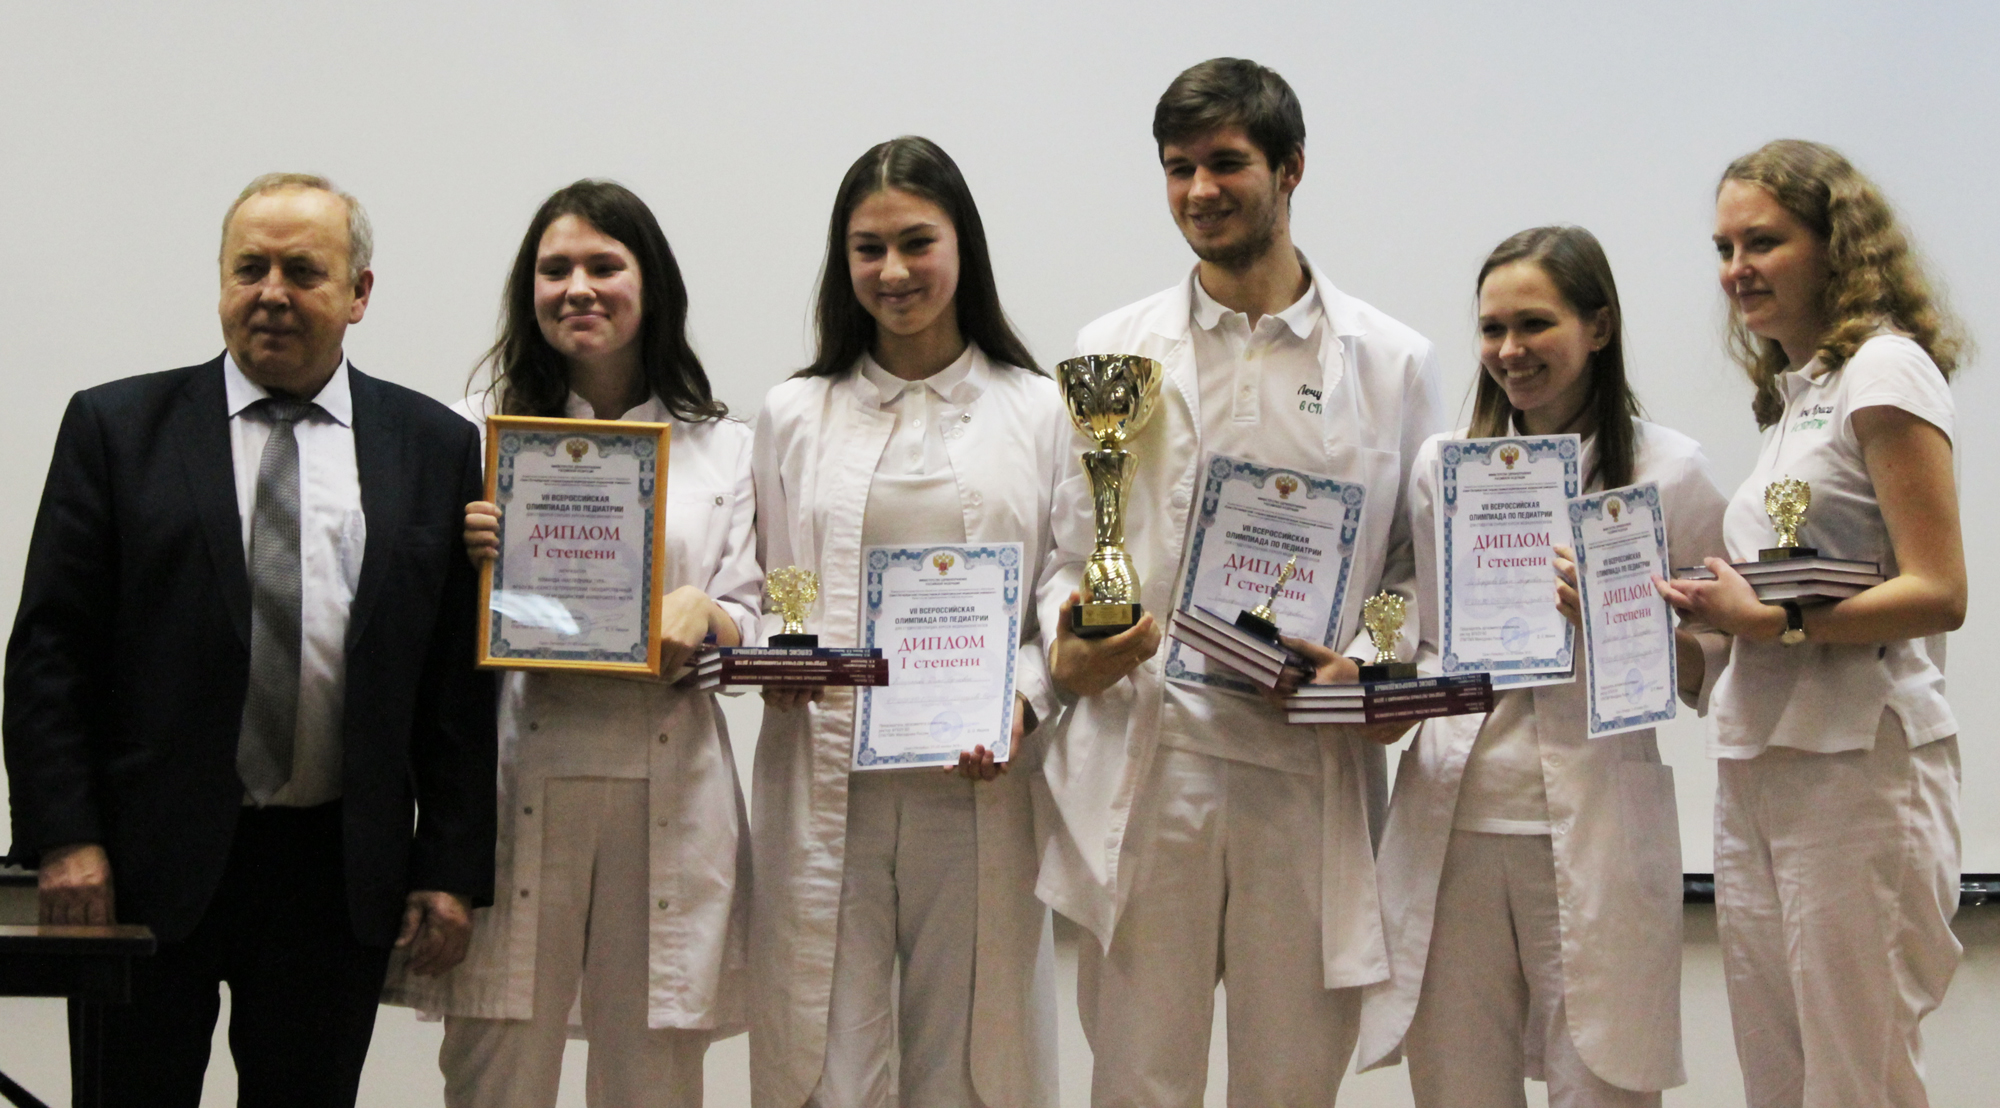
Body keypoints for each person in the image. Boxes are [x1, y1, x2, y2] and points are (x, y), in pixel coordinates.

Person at [3, 173, 495, 1107]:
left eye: (303, 271)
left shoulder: (431, 446)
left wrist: (449, 869)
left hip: (334, 873)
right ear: (221, 281)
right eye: (249, 269)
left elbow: (453, 684)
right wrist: (64, 839)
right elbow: (49, 658)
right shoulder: (116, 428)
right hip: (142, 867)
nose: (271, 293)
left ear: (358, 293)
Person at [1033, 58, 1445, 1105]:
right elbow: (1072, 549)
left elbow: (1411, 566)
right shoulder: (1111, 350)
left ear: (1291, 168)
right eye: (1178, 168)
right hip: (1153, 760)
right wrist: (1069, 640)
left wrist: (1368, 664)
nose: (1199, 190)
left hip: (1301, 773)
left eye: (1226, 163)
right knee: (1137, 1082)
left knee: (1289, 1085)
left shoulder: (1390, 361)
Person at [380, 180, 758, 1107]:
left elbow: (756, 610)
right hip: (517, 782)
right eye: (555, 270)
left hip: (668, 779)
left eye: (604, 265)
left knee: (654, 1081)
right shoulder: (469, 436)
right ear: (530, 291)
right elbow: (412, 635)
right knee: (495, 1076)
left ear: (650, 284)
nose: (578, 288)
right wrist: (459, 559)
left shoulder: (726, 448)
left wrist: (706, 613)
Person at [1355, 226, 1729, 1106]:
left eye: (1534, 324)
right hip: (1456, 821)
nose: (1509, 351)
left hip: (1599, 821)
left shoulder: (1671, 472)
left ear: (1598, 327)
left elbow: (1718, 664)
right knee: (1456, 1086)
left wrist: (1622, 617)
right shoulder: (1443, 467)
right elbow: (1422, 636)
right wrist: (1375, 684)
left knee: (1603, 1084)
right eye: (1492, 329)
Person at [748, 136, 1065, 1108]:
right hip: (828, 781)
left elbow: (1063, 591)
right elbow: (771, 587)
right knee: (825, 1060)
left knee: (971, 1062)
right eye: (867, 249)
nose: (892, 272)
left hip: (976, 784)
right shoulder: (793, 412)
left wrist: (1022, 698)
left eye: (916, 242)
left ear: (962, 245)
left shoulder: (1040, 410)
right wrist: (775, 659)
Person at [1658, 139, 1967, 1108]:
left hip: (1855, 769)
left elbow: (1939, 590)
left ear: (1836, 243)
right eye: (1723, 248)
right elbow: (1770, 606)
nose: (1735, 269)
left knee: (1854, 1083)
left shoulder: (1885, 370)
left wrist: (1774, 623)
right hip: (1762, 764)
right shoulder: (1795, 400)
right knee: (1781, 1084)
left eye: (1762, 242)